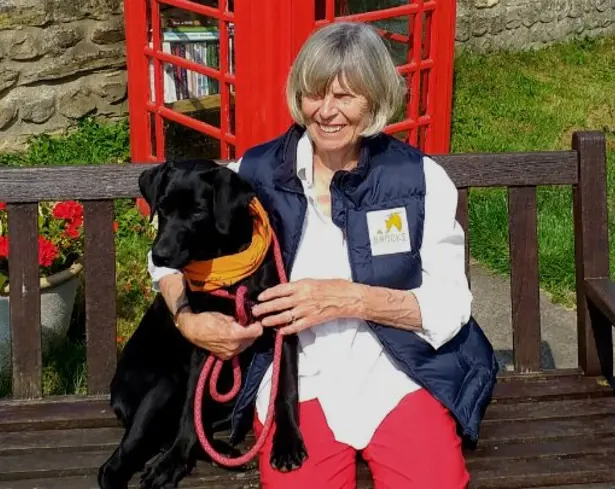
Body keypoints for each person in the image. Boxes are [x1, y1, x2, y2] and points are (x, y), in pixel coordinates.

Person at [148, 21, 498, 489]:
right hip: (297, 379)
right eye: (314, 94)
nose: (326, 112)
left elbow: (451, 305)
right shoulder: (253, 173)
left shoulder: (420, 179)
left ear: (375, 100)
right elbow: (166, 251)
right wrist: (187, 319)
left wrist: (349, 299)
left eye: (345, 97)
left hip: (397, 371)